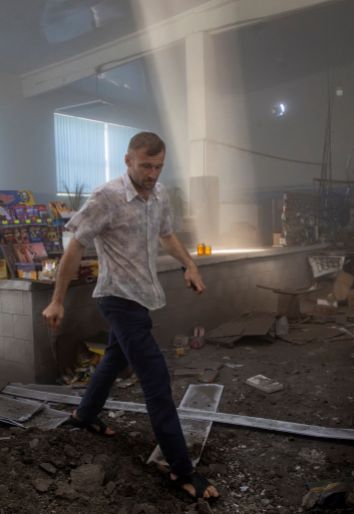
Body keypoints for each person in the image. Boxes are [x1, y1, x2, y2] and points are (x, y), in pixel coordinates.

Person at [42, 132, 220, 501]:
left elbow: (167, 236)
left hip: (141, 297)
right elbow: (74, 248)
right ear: (127, 161)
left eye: (158, 166)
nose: (152, 173)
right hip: (116, 297)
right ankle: (181, 470)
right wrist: (57, 300)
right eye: (145, 166)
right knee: (155, 378)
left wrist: (190, 265)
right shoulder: (106, 197)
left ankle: (83, 416)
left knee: (113, 359)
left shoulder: (159, 195)